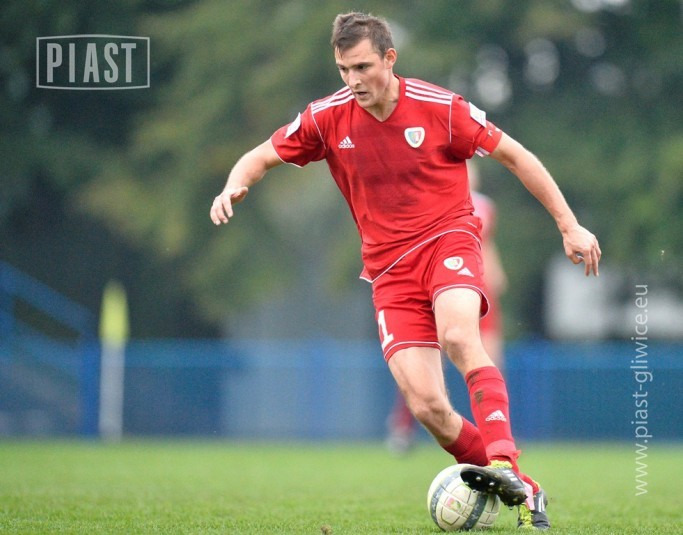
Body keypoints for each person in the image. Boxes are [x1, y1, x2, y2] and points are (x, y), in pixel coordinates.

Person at [210, 12, 601, 530]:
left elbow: (516, 156)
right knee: (427, 406)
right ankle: (527, 490)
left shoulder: (441, 108)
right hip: (389, 271)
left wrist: (570, 226)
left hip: (448, 241)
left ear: (389, 59)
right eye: (344, 69)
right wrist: (234, 184)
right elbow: (261, 155)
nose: (353, 80)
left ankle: (503, 461)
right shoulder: (327, 117)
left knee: (459, 337)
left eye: (363, 67)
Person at [385, 161, 507, 454]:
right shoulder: (431, 199)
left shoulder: (485, 207)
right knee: (426, 367)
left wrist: (496, 274)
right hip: (444, 289)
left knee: (492, 360)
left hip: (478, 290)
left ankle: (499, 436)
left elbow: (486, 244)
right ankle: (403, 427)